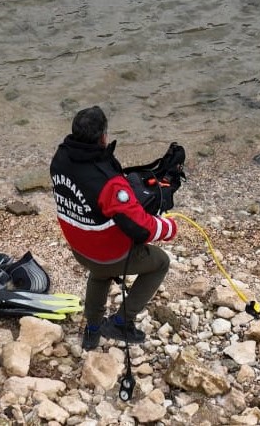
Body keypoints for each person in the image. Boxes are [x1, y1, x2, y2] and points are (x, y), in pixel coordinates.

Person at [50, 106, 178, 350]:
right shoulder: (108, 182)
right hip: (108, 254)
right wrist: (169, 227)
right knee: (160, 262)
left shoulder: (60, 159)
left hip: (79, 248)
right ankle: (121, 321)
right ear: (103, 137)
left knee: (99, 274)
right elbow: (141, 228)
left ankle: (93, 328)